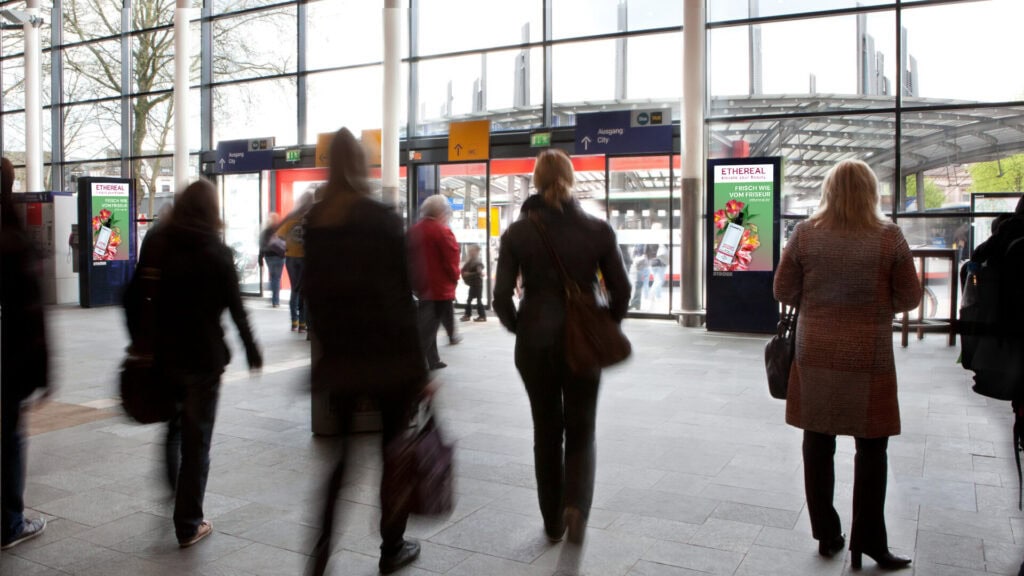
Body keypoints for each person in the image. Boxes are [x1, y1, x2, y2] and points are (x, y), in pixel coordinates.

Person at [774, 159, 921, 570]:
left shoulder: (804, 234)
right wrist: (874, 305)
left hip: (815, 352)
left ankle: (827, 534)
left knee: (817, 442)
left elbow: (783, 288)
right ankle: (869, 542)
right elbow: (910, 297)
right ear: (872, 193)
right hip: (868, 357)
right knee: (872, 448)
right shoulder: (889, 237)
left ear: (828, 191)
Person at [304, 127, 427, 575]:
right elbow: (400, 300)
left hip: (342, 361)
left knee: (338, 461)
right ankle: (391, 547)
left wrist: (328, 356)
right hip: (389, 361)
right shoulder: (381, 218)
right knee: (393, 455)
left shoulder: (318, 223)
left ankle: (319, 552)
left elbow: (312, 297)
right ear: (360, 164)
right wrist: (421, 370)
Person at [493, 149, 630, 545]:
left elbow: (501, 297)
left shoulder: (518, 233)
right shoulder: (597, 230)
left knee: (546, 430)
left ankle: (551, 521)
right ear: (570, 180)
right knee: (582, 429)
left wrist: (521, 326)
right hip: (583, 343)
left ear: (536, 181)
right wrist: (604, 326)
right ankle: (576, 508)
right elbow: (622, 290)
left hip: (535, 341)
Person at [126, 179, 262, 548]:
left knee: (173, 429)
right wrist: (252, 351)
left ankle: (176, 491)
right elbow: (236, 307)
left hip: (164, 356)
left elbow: (134, 295)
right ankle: (188, 522)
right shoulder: (216, 251)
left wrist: (139, 339)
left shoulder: (157, 243)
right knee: (197, 441)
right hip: (203, 360)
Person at [1, 157, 51, 550]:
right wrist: (45, 371)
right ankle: (10, 523)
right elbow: (33, 316)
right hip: (8, 362)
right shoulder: (14, 239)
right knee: (9, 441)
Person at [408, 194, 461, 370]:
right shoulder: (442, 231)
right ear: (440, 213)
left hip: (421, 287)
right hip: (439, 289)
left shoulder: (414, 230)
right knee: (428, 329)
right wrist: (455, 278)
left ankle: (434, 359)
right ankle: (415, 363)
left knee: (428, 323)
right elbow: (451, 260)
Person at [277, 192, 313, 333]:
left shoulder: (291, 217)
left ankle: (294, 321)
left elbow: (279, 235)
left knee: (294, 289)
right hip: (304, 257)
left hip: (291, 257)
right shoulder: (309, 216)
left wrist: (288, 244)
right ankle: (303, 324)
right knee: (304, 290)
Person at [259, 212, 285, 307]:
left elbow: (261, 246)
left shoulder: (265, 231)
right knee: (276, 278)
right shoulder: (280, 230)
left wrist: (260, 258)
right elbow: (285, 243)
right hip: (279, 257)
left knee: (273, 277)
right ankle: (275, 301)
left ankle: (273, 298)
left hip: (268, 257)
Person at [460, 243, 486, 322]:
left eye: (471, 251)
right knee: (470, 300)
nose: (470, 252)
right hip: (474, 284)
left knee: (478, 300)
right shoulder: (471, 260)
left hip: (477, 284)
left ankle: (482, 316)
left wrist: (468, 274)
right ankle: (468, 315)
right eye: (469, 251)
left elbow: (479, 272)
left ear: (475, 252)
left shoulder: (476, 261)